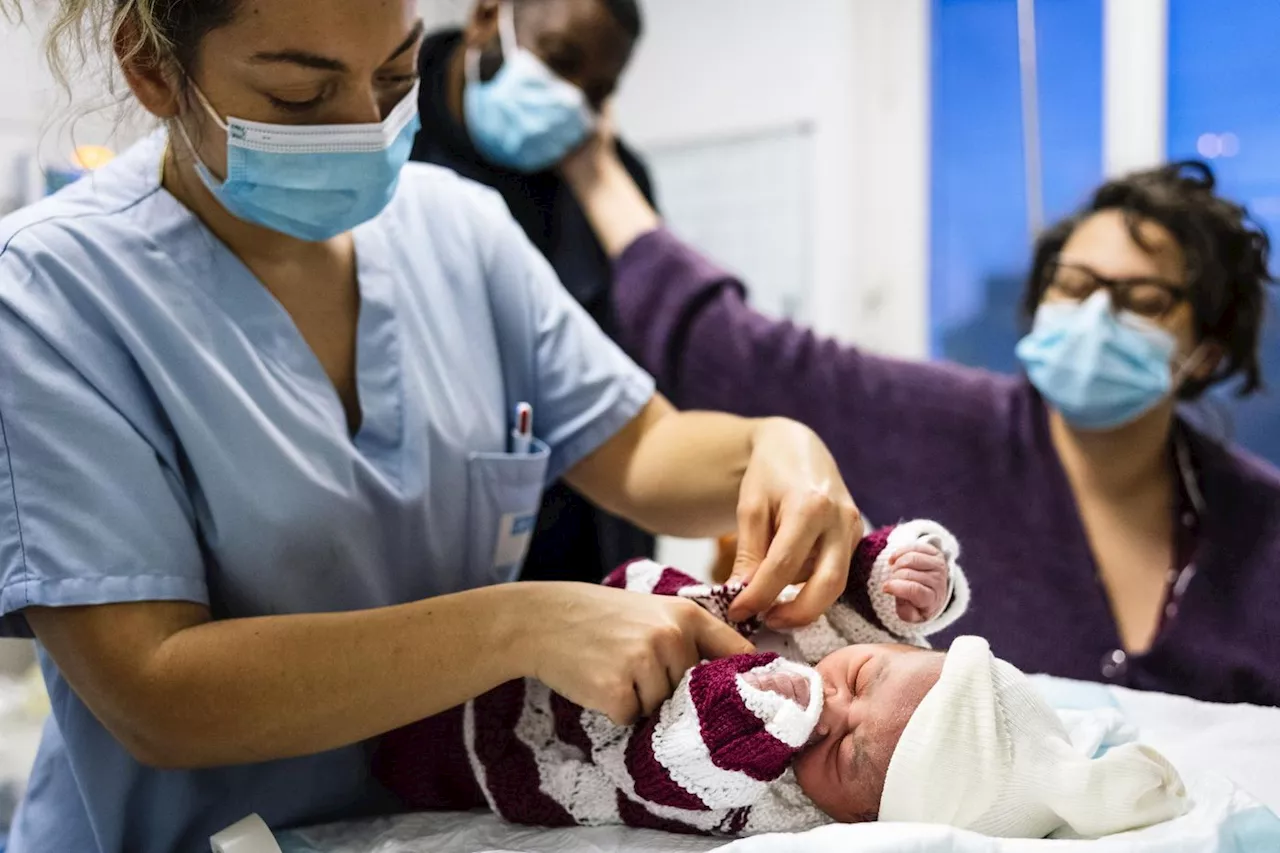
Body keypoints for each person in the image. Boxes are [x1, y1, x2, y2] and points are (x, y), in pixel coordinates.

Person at [0, 3, 866, 852]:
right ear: (154, 71)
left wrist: (771, 446)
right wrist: (521, 626)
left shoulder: (458, 229)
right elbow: (154, 692)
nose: (363, 128)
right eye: (301, 96)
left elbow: (640, 447)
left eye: (394, 77)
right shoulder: (49, 292)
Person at [558, 119, 1280, 708]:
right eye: (1075, 284)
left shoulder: (1259, 524)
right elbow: (730, 347)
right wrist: (593, 166)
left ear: (1208, 352)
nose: (1096, 317)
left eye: (1143, 300)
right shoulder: (942, 423)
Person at [374, 532, 1187, 840]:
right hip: (541, 619)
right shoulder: (873, 654)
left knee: (386, 735)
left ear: (862, 818)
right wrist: (891, 575)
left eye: (847, 754)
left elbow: (664, 768)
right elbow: (844, 607)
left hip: (499, 742)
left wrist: (744, 715)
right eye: (865, 675)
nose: (832, 705)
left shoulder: (774, 799)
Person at [412, 0, 656, 583]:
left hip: (584, 542)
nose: (570, 98)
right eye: (558, 59)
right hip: (431, 548)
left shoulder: (606, 182)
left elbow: (645, 371)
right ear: (487, 17)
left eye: (596, 90)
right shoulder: (382, 139)